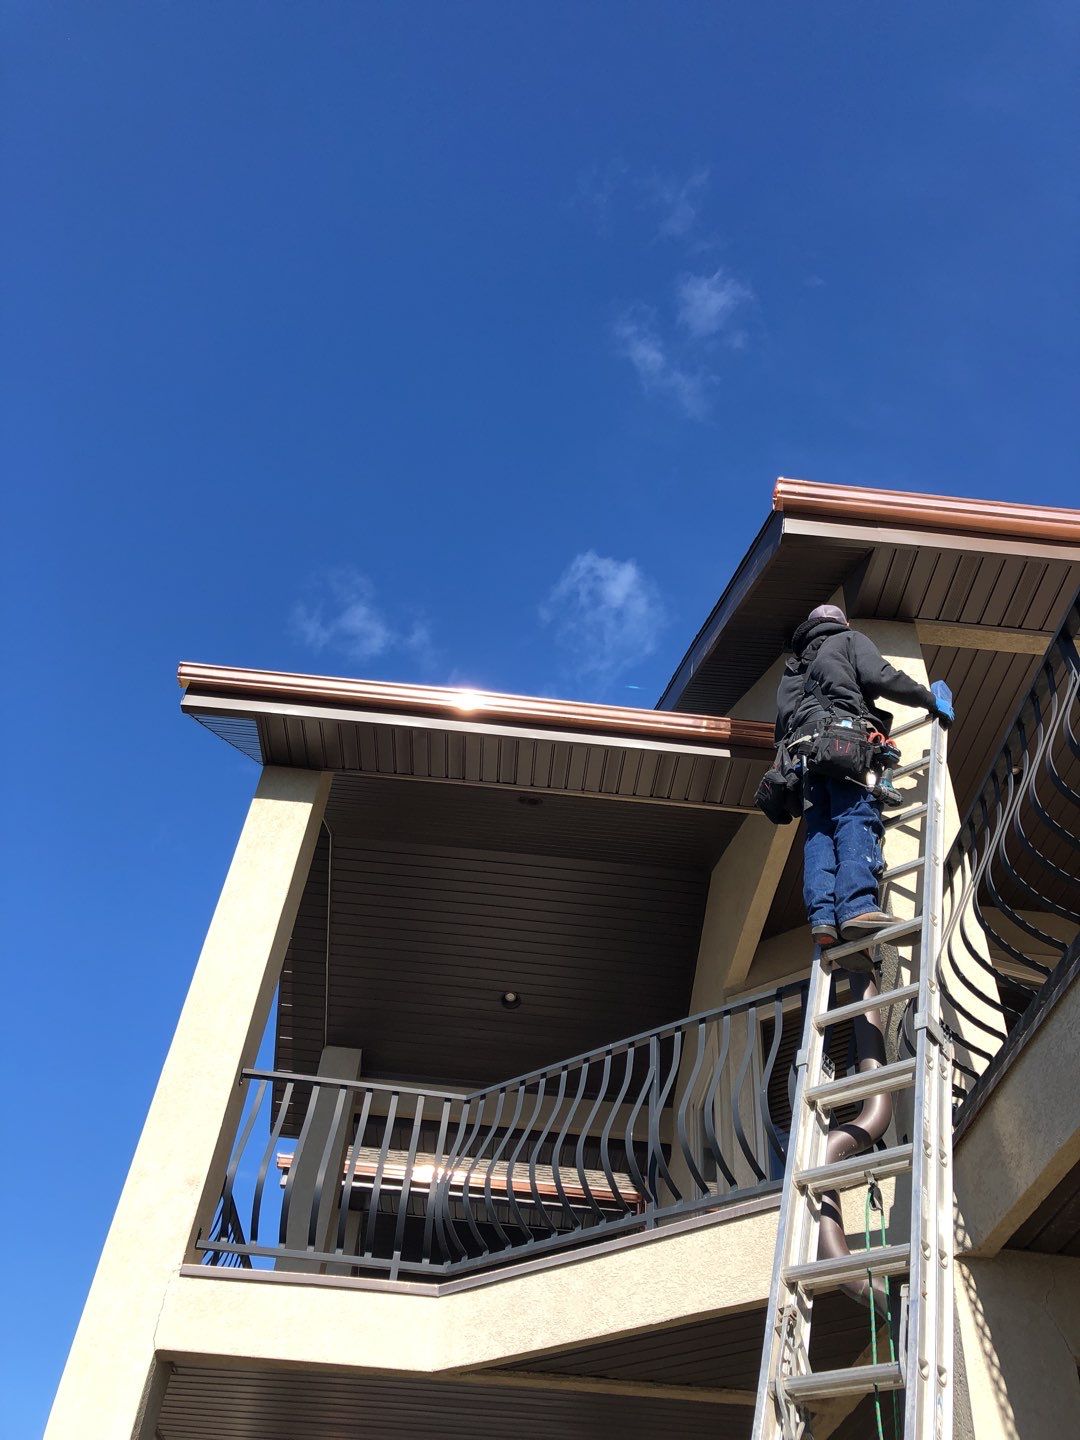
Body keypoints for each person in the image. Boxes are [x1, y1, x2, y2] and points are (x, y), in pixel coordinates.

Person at [775, 603, 953, 954]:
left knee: (820, 832)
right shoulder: (849, 639)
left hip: (804, 759)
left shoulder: (794, 670)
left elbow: (782, 726)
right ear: (843, 623)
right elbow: (880, 676)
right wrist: (929, 700)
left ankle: (823, 918)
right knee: (855, 816)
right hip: (844, 745)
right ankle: (857, 907)